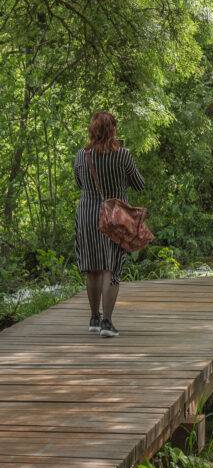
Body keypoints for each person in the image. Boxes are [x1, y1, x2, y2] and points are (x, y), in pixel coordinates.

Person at [75, 111, 145, 338]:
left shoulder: (81, 155)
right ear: (113, 130)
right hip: (114, 216)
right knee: (111, 268)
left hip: (86, 214)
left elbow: (79, 183)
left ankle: (93, 319)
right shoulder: (122, 155)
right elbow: (139, 184)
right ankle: (107, 322)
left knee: (93, 268)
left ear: (91, 130)